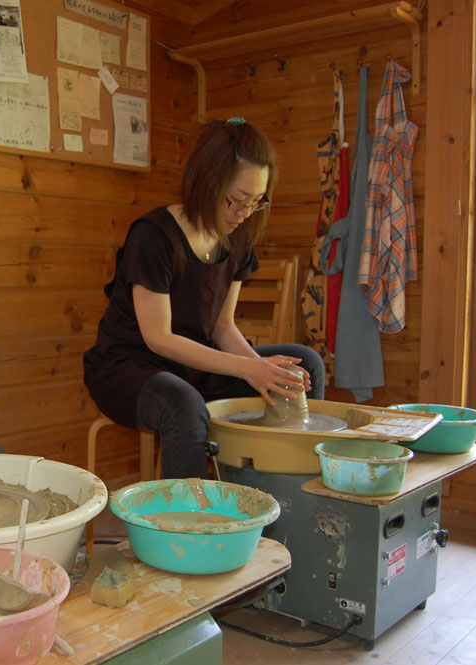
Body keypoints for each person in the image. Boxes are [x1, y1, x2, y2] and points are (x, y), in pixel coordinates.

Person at [83, 117, 326, 479]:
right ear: (206, 182)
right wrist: (249, 368)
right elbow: (158, 338)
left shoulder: (238, 237)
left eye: (256, 202)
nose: (245, 213)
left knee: (304, 365)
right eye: (237, 200)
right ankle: (188, 514)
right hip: (130, 368)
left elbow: (222, 326)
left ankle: (285, 495)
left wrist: (263, 370)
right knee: (182, 402)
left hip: (196, 367)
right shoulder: (154, 236)